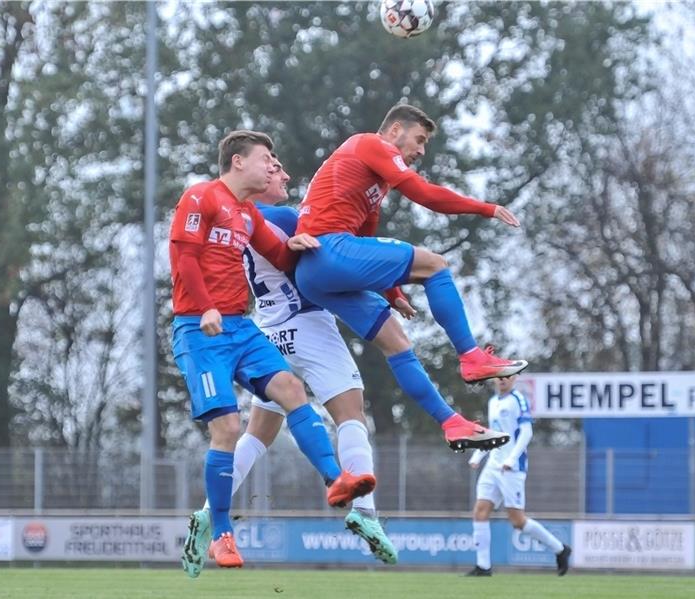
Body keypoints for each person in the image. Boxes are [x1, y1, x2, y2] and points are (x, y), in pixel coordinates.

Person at [181, 156, 396, 579]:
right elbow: (338, 257)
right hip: (308, 323)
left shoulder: (239, 219)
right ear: (252, 176)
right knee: (352, 413)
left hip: (268, 330)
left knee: (257, 434)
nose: (284, 175)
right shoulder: (282, 216)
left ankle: (208, 514)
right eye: (275, 169)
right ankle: (366, 512)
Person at [294, 103, 527, 450]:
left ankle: (451, 423)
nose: (420, 151)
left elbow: (366, 236)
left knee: (397, 342)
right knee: (434, 264)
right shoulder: (370, 144)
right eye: (418, 140)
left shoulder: (372, 179)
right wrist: (485, 208)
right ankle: (472, 357)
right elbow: (424, 194)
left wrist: (391, 293)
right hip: (327, 251)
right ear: (394, 131)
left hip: (315, 273)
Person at [465, 375, 571, 577]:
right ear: (494, 379)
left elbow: (526, 433)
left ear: (514, 378)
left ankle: (560, 549)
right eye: (499, 377)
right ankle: (483, 566)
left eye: (507, 376)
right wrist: (479, 454)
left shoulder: (518, 400)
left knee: (517, 520)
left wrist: (512, 459)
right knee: (480, 511)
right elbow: (493, 434)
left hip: (511, 468)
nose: (503, 380)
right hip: (493, 465)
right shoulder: (493, 402)